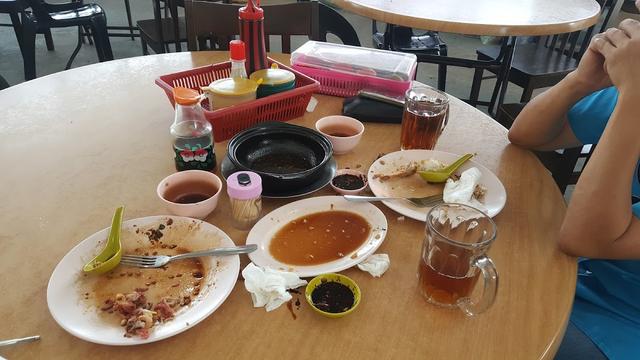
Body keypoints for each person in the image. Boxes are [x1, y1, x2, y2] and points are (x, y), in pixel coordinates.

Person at [507, 2, 640, 359]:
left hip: (624, 327)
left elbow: (583, 238)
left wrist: (635, 100)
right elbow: (527, 134)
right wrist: (581, 81)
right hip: (581, 280)